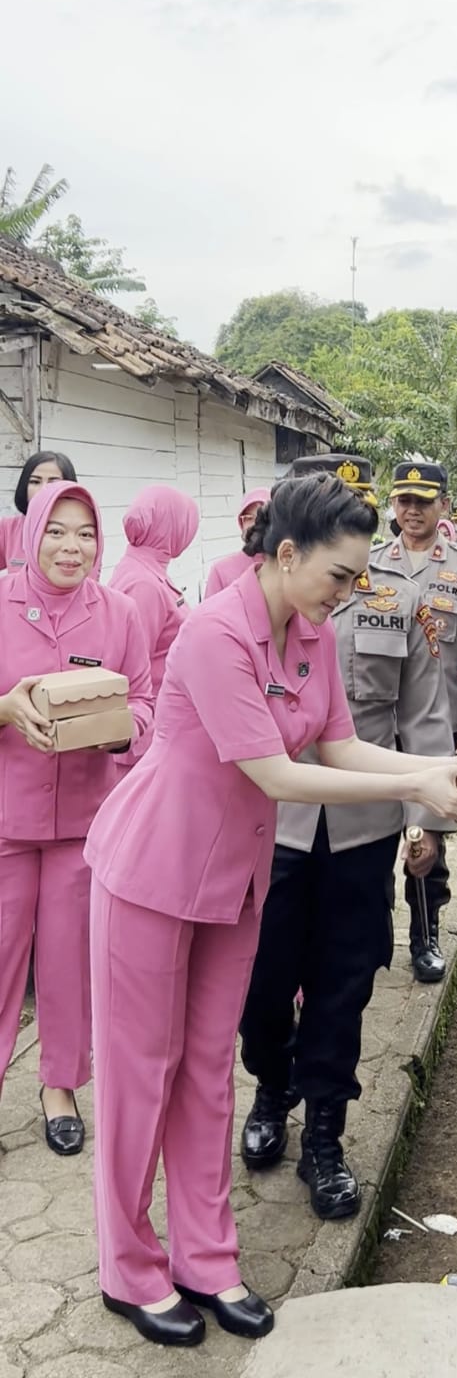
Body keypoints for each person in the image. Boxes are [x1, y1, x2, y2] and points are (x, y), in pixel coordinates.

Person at [85, 473, 457, 1348]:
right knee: (139, 1074)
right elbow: (274, 772)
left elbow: (338, 741)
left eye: (355, 579)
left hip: (234, 880)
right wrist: (417, 779)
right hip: (152, 874)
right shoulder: (214, 631)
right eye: (338, 575)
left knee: (205, 1070)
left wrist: (435, 773)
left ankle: (206, 1255)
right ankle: (129, 1264)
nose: (348, 592)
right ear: (286, 554)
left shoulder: (310, 633)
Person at [239, 454, 454, 1217]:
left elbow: (423, 715)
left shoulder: (396, 597)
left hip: (363, 828)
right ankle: (272, 1085)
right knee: (262, 984)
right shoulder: (253, 609)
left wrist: (426, 817)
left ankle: (324, 1131)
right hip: (275, 829)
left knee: (343, 985)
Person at [0, 482, 153, 1156]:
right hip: (5, 823)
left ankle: (60, 1085)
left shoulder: (119, 614)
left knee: (68, 964)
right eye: (57, 531)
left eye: (85, 533)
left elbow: (148, 704)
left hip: (83, 826)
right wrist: (7, 707)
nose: (71, 547)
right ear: (32, 534)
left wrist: (118, 733)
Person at [372, 461, 457, 982]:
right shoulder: (371, 563)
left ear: (444, 505)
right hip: (377, 724)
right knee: (373, 832)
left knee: (428, 839)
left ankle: (425, 934)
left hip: (439, 724)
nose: (412, 511)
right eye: (404, 501)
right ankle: (373, 936)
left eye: (423, 501)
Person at [107, 485, 200, 764]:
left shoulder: (146, 571)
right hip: (147, 740)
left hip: (158, 728)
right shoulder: (144, 584)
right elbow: (131, 667)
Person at [0, 450, 77, 574]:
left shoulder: (84, 532)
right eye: (35, 482)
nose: (43, 489)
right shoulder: (8, 528)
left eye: (53, 482)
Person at [203, 486, 270, 598]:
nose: (255, 524)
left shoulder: (287, 566)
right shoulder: (221, 571)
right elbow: (208, 614)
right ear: (241, 524)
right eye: (249, 518)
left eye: (261, 517)